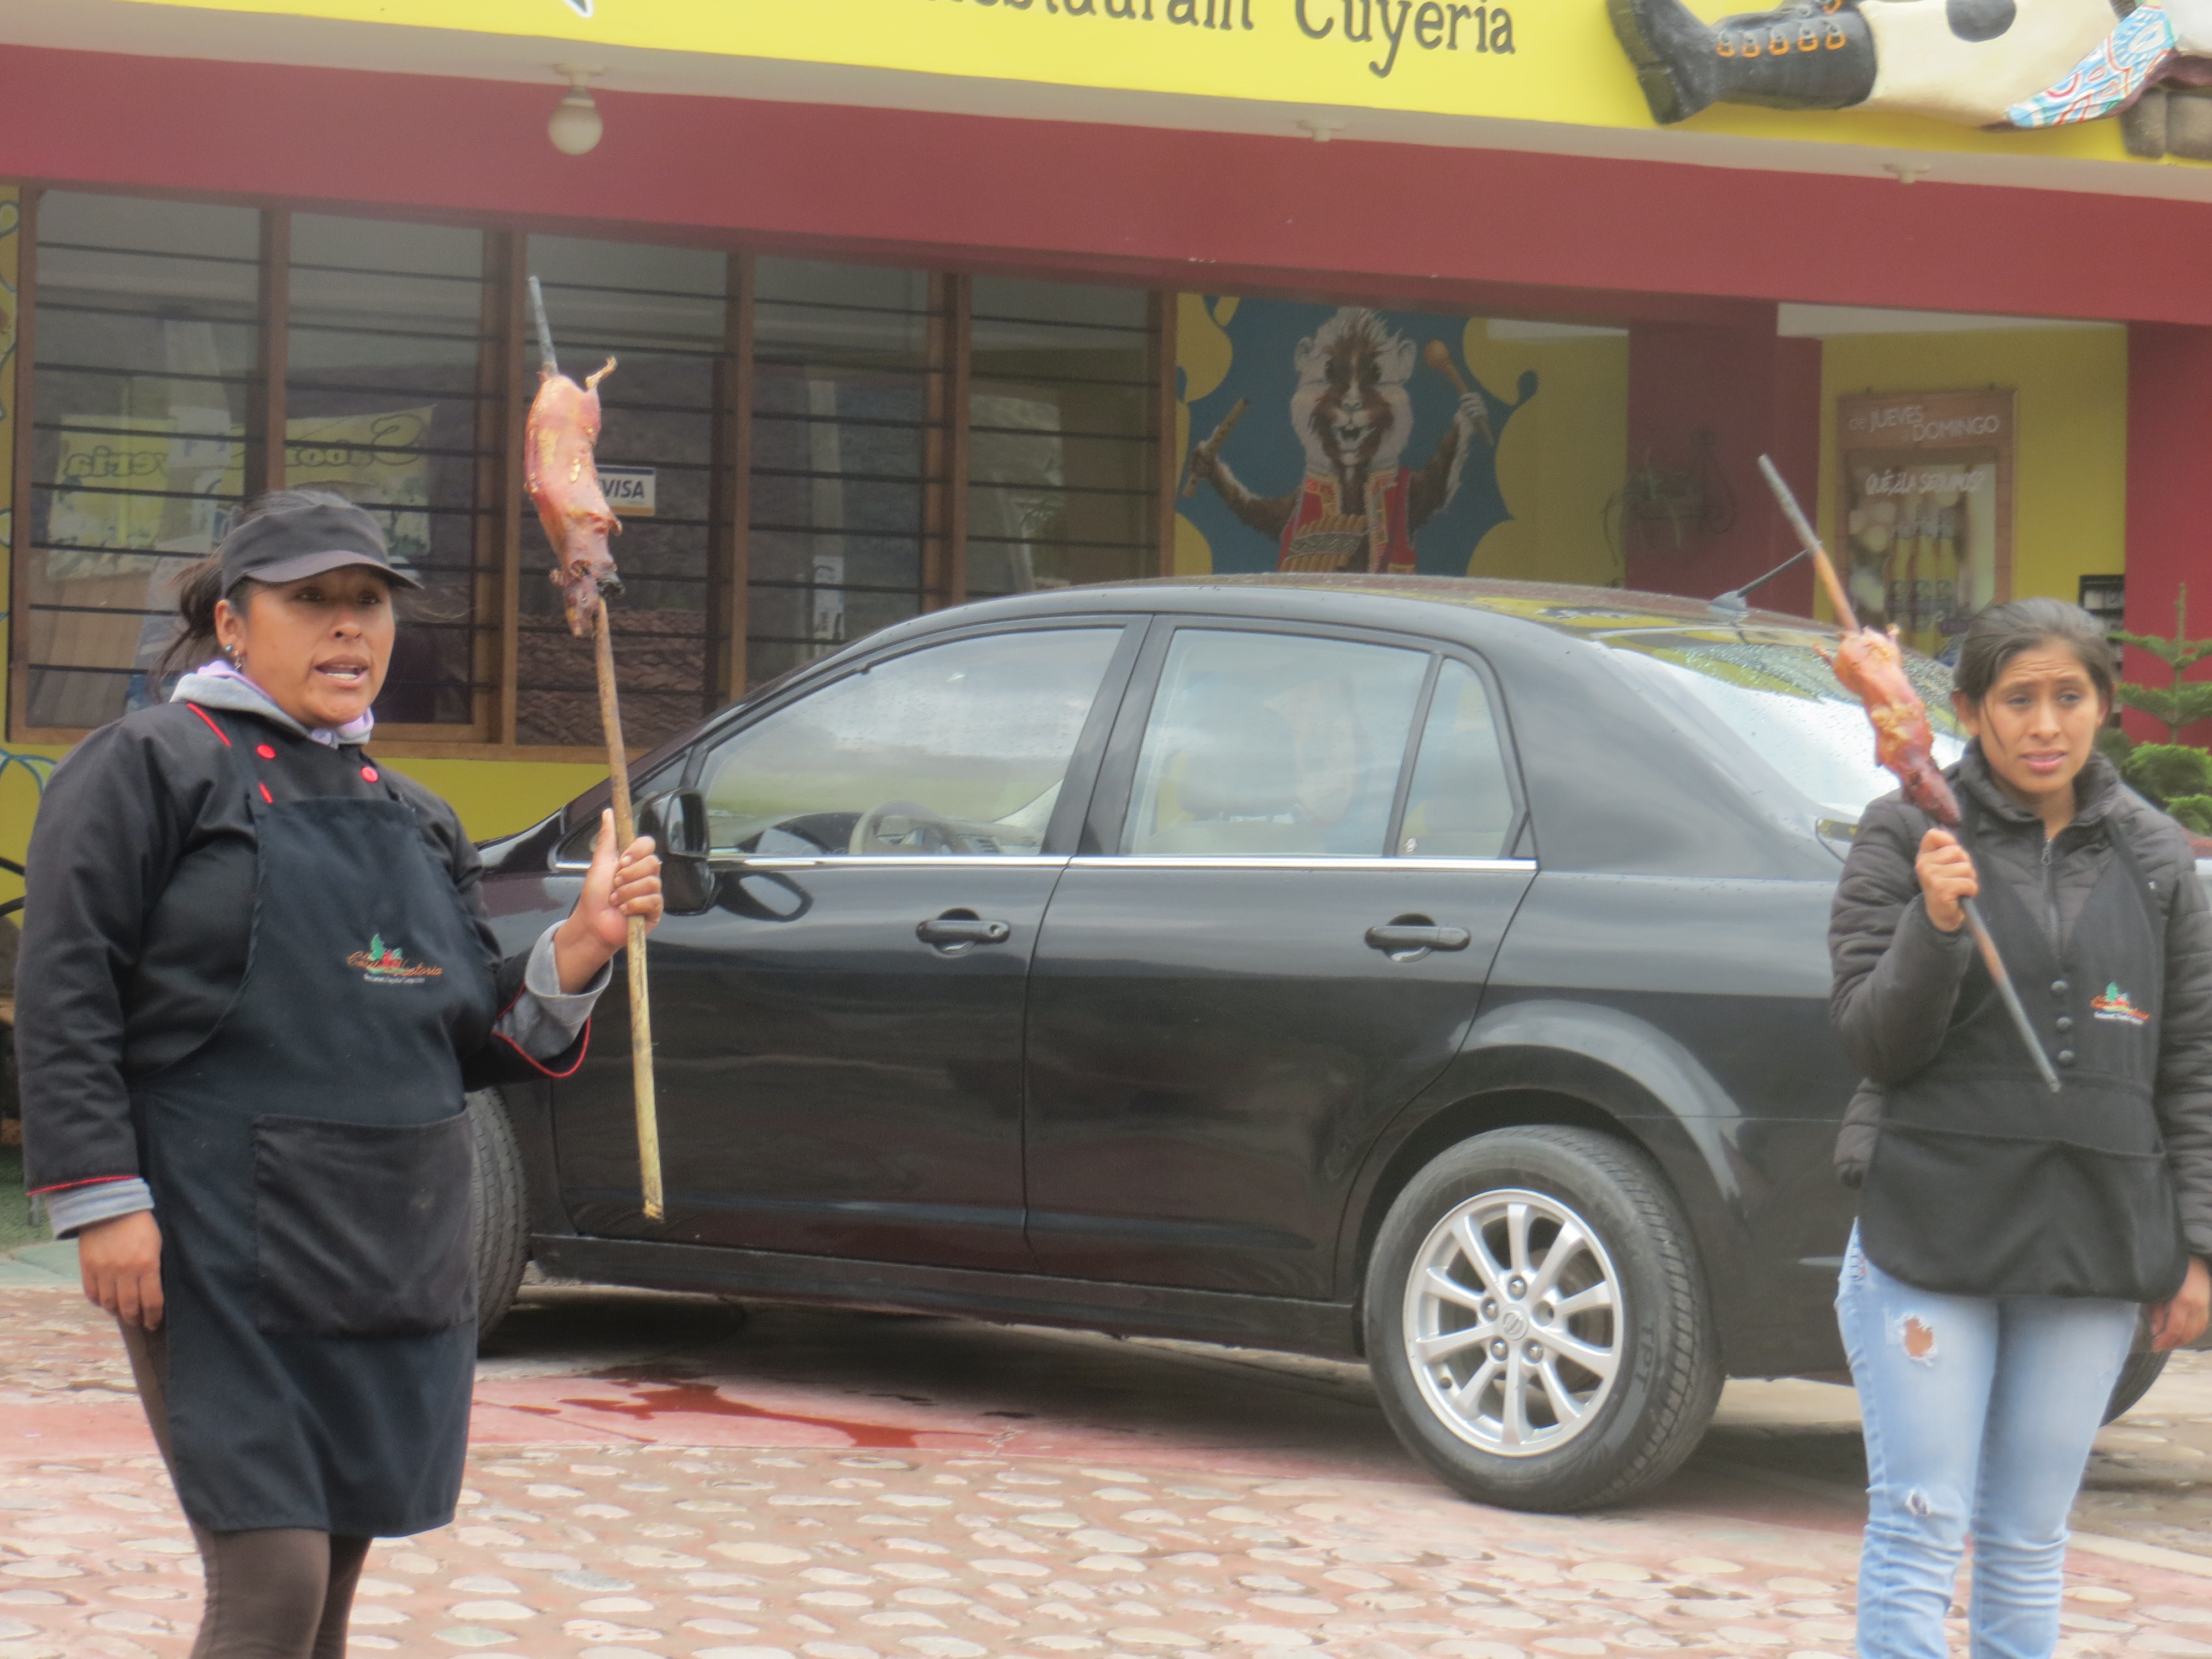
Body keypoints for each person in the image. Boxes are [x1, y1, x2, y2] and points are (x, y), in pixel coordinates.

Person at [15, 491, 664, 1659]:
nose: (349, 627)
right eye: (310, 601)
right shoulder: (148, 768)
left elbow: (465, 1034)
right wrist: (102, 1198)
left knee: (332, 1588)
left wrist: (579, 946)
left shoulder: (415, 816)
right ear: (232, 623)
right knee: (271, 1584)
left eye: (368, 602)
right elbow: (67, 994)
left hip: (394, 1240)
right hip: (222, 1236)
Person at [1828, 596, 2212, 1659]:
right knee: (1921, 1521)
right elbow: (1873, 1041)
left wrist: (2197, 1246)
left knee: (2029, 1538)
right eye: (2018, 700)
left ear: (2106, 706)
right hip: (1931, 1227)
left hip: (2093, 1236)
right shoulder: (1906, 830)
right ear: (1967, 710)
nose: (2046, 725)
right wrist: (1935, 921)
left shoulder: (2156, 855)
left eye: (2070, 697)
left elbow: (2190, 1063)